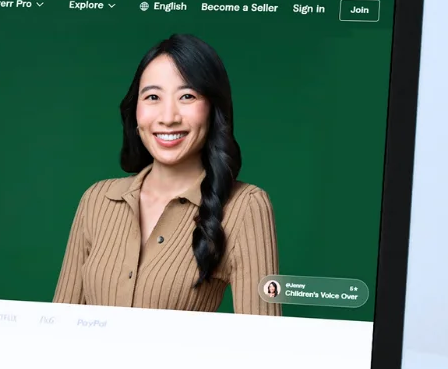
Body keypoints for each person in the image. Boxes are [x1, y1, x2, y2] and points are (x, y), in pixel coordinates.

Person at [53, 34, 279, 314]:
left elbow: (262, 336)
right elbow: (59, 325)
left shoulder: (245, 206)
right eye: (152, 97)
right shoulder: (97, 200)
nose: (168, 117)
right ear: (135, 110)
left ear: (213, 108)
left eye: (187, 96)